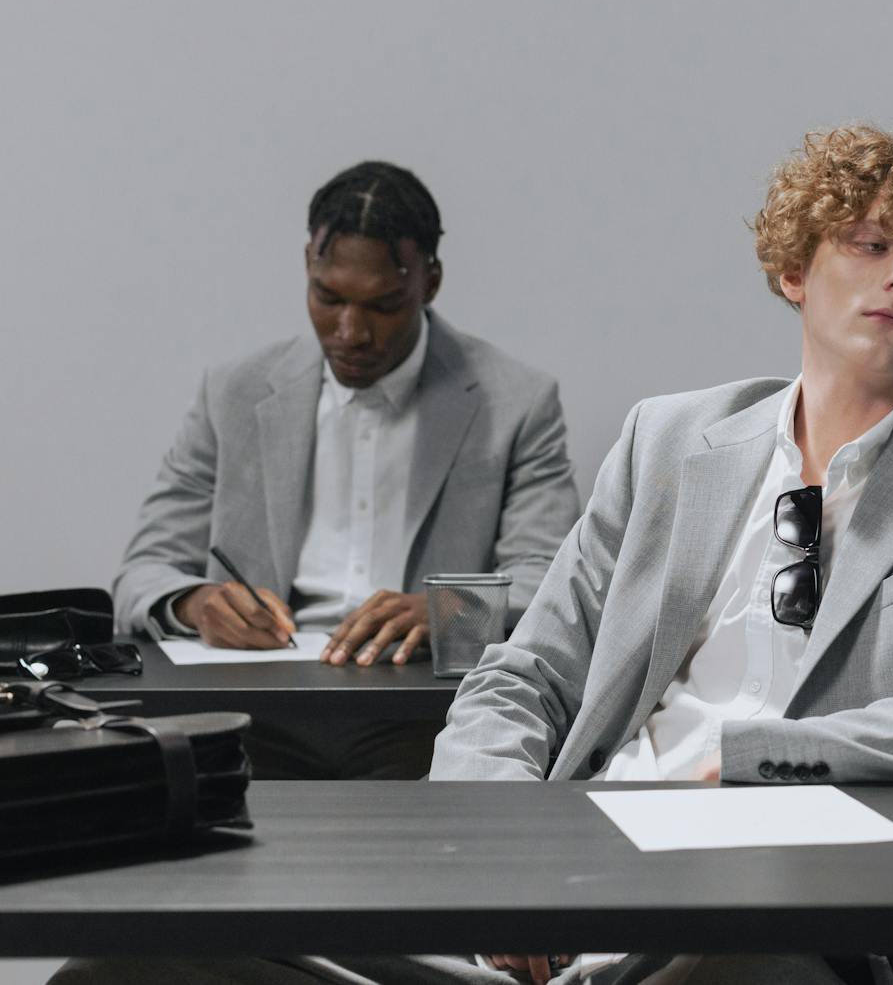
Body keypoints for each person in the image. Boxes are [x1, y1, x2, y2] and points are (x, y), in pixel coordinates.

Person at [60, 126, 893, 985]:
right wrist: (501, 867)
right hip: (577, 890)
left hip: (790, 911)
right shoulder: (669, 441)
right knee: (122, 967)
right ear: (794, 269)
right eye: (871, 243)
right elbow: (523, 672)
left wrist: (756, 760)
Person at [113, 160, 580, 780]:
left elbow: (550, 581)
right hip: (257, 712)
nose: (350, 332)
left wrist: (444, 609)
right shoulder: (234, 392)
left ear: (430, 281)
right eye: (328, 298)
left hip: (430, 712)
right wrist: (196, 604)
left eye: (384, 305)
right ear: (309, 265)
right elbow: (142, 572)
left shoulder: (514, 401)